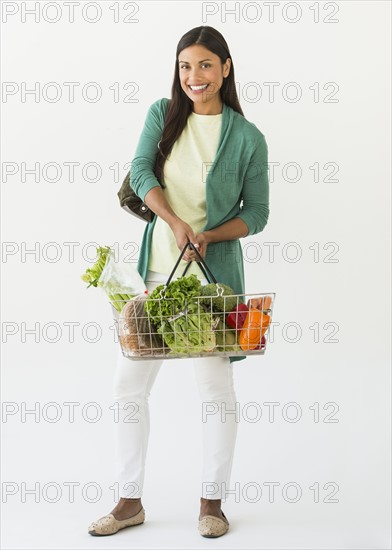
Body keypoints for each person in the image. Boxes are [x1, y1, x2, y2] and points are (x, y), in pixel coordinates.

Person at [88, 25, 269, 539]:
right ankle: (129, 501)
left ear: (226, 68)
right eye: (186, 66)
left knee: (215, 389)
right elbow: (141, 171)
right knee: (128, 386)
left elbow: (257, 213)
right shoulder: (161, 115)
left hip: (212, 283)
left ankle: (211, 503)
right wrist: (174, 222)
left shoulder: (248, 137)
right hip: (157, 275)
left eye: (206, 65)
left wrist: (209, 235)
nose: (194, 76)